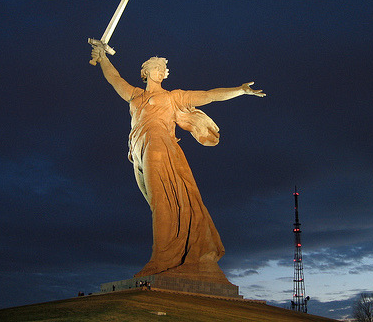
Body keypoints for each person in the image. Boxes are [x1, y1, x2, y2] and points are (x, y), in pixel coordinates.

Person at [91, 47, 265, 283]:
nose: (161, 72)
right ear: (145, 72)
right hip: (138, 149)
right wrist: (102, 57)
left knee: (162, 202)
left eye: (163, 69)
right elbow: (114, 78)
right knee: (156, 203)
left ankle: (161, 259)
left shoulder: (173, 97)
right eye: (156, 68)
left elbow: (209, 95)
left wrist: (240, 91)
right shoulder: (134, 95)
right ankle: (168, 255)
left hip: (159, 146)